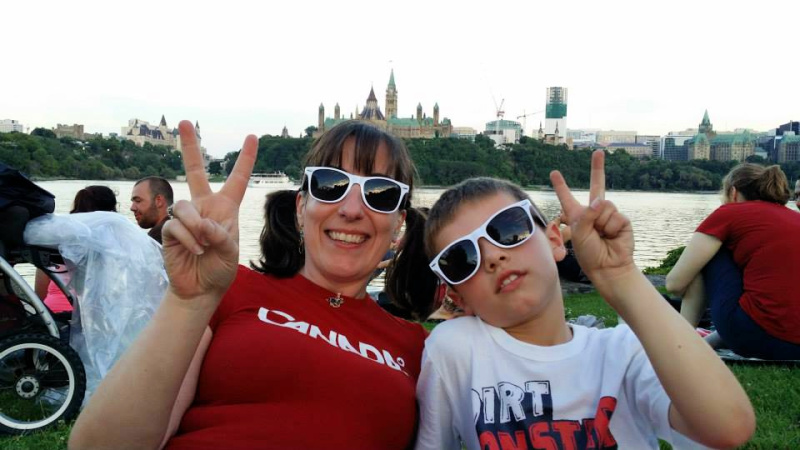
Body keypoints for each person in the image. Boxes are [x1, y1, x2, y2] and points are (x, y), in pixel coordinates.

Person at [70, 120, 434, 449]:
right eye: (331, 185)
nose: (352, 209)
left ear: (398, 223)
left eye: (381, 193)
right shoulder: (231, 289)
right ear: (300, 207)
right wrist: (189, 301)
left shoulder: (419, 346)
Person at [414, 151, 755, 449]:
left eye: (507, 230)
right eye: (461, 259)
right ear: (457, 296)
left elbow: (728, 426)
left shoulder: (623, 351)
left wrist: (621, 276)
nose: (492, 257)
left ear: (554, 240)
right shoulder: (455, 349)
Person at [666, 163, 800, 360]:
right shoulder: (794, 218)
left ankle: (682, 347)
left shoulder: (729, 213)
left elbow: (674, 284)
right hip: (795, 347)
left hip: (753, 337)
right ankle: (699, 345)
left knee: (710, 256)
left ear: (733, 192)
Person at [34, 185, 117, 313]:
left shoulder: (57, 237)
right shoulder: (113, 241)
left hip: (53, 313)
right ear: (111, 211)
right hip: (93, 317)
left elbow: (40, 292)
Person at [131, 176, 174, 244]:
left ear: (159, 201)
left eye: (138, 201)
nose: (132, 208)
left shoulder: (158, 237)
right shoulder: (177, 229)